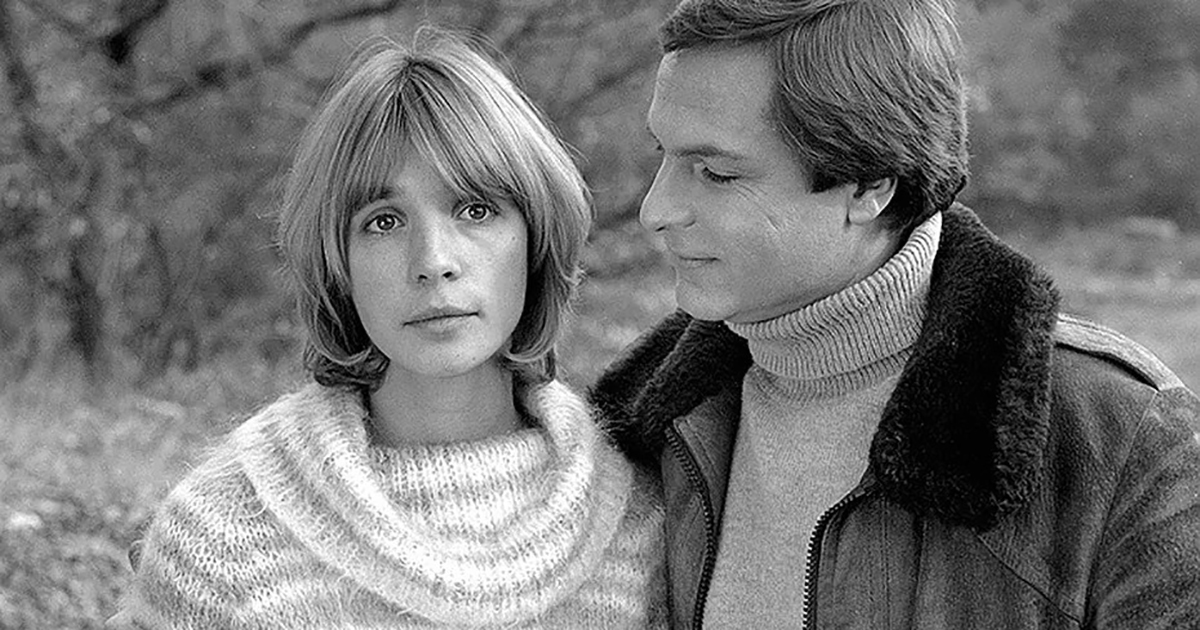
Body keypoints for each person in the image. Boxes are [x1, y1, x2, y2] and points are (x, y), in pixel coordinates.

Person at [589, 0, 1200, 628]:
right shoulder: (625, 432)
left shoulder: (1124, 441)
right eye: (663, 154)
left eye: (715, 173)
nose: (656, 210)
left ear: (869, 185)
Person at [111, 27, 666, 629]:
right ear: (338, 264)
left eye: (475, 209)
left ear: (536, 238)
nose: (433, 261)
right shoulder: (221, 534)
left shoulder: (647, 529)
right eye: (383, 221)